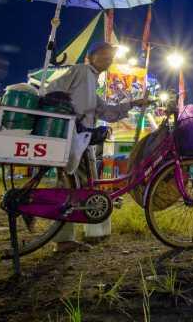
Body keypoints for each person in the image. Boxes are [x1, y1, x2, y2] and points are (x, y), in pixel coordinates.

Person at [45, 41, 150, 251]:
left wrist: (133, 104)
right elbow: (51, 90)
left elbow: (107, 112)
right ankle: (63, 240)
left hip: (83, 140)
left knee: (82, 187)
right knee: (68, 188)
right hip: (71, 137)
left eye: (110, 56)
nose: (108, 59)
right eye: (103, 54)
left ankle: (77, 234)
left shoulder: (93, 79)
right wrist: (69, 115)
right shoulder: (81, 71)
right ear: (90, 57)